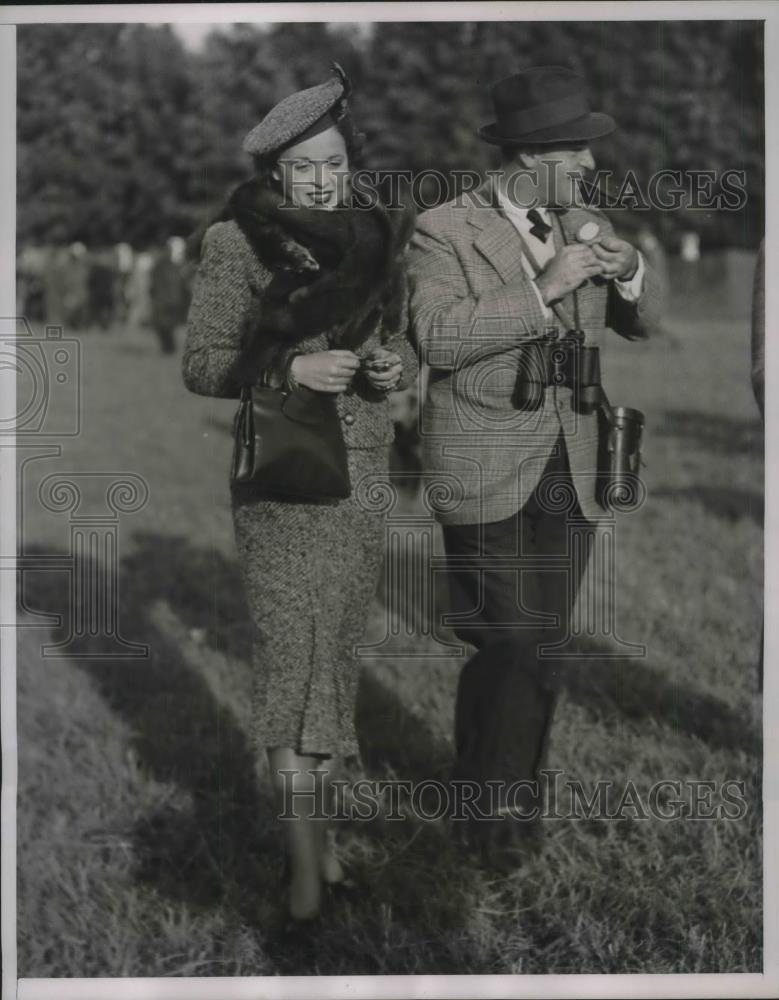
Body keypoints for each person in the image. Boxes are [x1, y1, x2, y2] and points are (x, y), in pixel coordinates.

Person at [408, 65, 662, 868]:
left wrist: (627, 272)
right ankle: (488, 818)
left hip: (571, 462)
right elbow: (439, 339)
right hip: (480, 458)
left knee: (543, 646)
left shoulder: (583, 219)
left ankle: (508, 797)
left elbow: (644, 323)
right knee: (510, 642)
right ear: (529, 155)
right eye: (577, 150)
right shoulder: (441, 229)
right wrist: (546, 285)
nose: (590, 166)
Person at [182, 65, 417, 924]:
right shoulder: (237, 244)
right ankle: (305, 881)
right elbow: (203, 363)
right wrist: (290, 367)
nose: (323, 178)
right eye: (305, 165)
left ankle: (322, 850)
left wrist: (392, 368)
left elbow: (394, 343)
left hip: (360, 482)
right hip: (283, 484)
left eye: (335, 161)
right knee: (294, 674)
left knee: (334, 668)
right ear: (277, 169)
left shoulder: (370, 236)